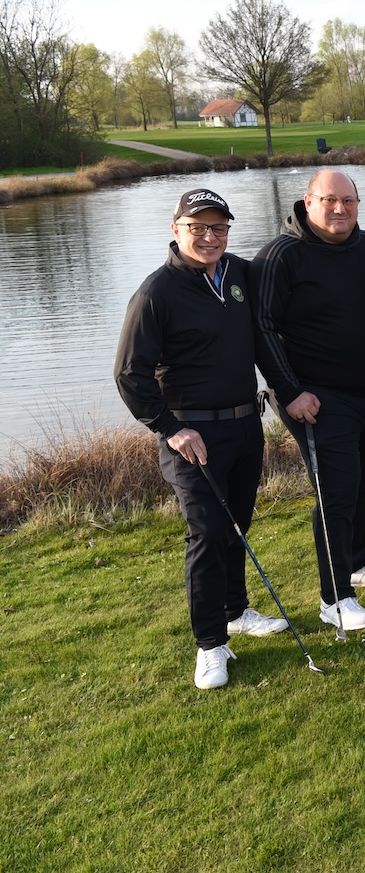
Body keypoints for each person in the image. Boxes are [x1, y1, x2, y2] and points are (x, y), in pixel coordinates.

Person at [114, 188, 285, 690]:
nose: (209, 237)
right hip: (191, 435)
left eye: (218, 228)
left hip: (244, 426)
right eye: (198, 228)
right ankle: (210, 644)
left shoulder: (236, 275)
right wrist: (171, 429)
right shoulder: (156, 293)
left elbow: (268, 330)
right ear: (176, 229)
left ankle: (235, 610)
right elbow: (130, 374)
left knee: (236, 524)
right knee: (208, 533)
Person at [252, 169, 365, 632]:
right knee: (334, 492)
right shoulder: (281, 255)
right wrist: (290, 392)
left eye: (349, 201)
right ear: (308, 201)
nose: (341, 209)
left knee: (359, 481)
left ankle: (356, 561)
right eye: (330, 200)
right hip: (314, 398)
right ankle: (334, 598)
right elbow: (262, 329)